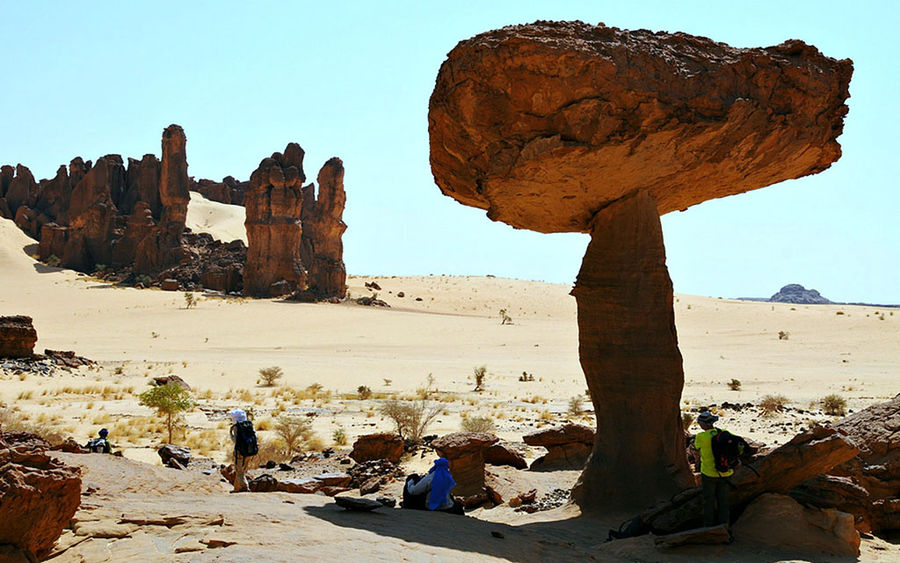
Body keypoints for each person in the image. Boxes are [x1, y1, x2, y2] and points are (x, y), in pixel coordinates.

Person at [694, 411, 732, 527]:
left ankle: (708, 528)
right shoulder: (725, 433)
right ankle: (724, 527)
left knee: (708, 502)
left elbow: (696, 449)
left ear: (703, 425)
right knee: (723, 502)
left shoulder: (701, 437)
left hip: (709, 474)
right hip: (726, 473)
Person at [228, 409, 252, 492]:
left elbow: (235, 440)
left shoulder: (237, 427)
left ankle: (245, 487)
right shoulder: (249, 425)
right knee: (242, 471)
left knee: (239, 471)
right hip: (250, 451)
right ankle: (236, 488)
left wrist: (230, 433)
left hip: (240, 452)